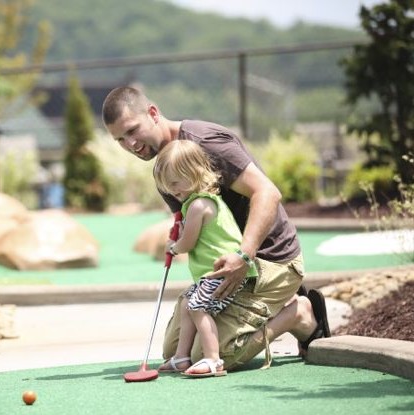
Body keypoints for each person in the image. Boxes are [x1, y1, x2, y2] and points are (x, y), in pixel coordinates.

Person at [102, 86, 330, 374]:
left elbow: (268, 193)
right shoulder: (166, 166)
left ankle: (298, 314)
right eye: (120, 139)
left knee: (214, 353)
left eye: (133, 130)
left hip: (270, 259)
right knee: (176, 353)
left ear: (153, 113)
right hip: (227, 267)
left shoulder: (205, 143)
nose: (131, 144)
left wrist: (243, 255)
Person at [153, 139, 259, 377]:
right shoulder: (197, 202)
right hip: (211, 274)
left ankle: (213, 360)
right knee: (190, 303)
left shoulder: (199, 205)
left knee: (199, 307)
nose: (171, 190)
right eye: (166, 186)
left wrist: (173, 247)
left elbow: (187, 243)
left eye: (174, 183)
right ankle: (181, 357)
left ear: (193, 172)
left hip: (224, 272)